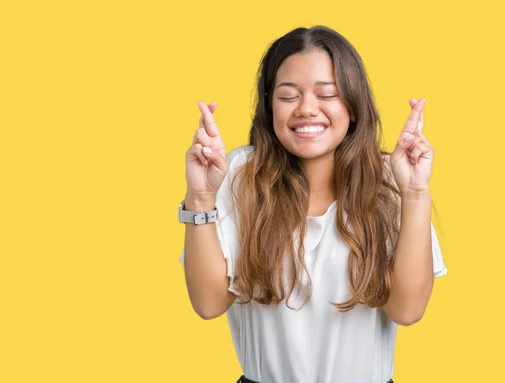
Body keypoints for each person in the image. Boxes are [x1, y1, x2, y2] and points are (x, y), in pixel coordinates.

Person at [178, 25, 447, 383]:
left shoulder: (391, 179)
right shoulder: (239, 174)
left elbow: (408, 310)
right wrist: (199, 196)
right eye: (288, 96)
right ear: (269, 106)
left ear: (353, 106)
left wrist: (414, 194)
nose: (307, 109)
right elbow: (209, 305)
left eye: (327, 94)